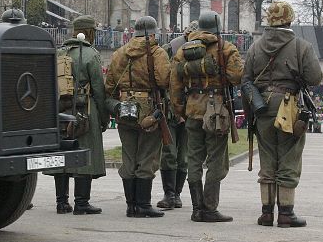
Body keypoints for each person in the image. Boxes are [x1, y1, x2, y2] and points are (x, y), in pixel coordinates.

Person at [242, 1, 322, 228]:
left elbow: (245, 80)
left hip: (262, 107)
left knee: (267, 158)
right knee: (289, 157)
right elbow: (315, 78)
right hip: (289, 107)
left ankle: (266, 213)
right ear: (290, 19)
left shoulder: (255, 47)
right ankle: (286, 213)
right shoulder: (301, 46)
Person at [169, 11, 243, 222]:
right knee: (216, 161)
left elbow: (174, 84)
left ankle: (196, 209)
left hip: (192, 110)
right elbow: (237, 77)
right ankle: (209, 208)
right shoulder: (226, 48)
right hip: (217, 112)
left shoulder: (183, 50)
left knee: (193, 160)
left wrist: (181, 110)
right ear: (217, 26)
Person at [104, 15, 170, 218]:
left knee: (129, 157)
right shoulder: (157, 52)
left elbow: (109, 86)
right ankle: (143, 204)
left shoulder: (119, 53)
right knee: (147, 157)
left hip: (124, 110)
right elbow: (164, 80)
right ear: (153, 32)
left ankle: (131, 205)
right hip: (149, 110)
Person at [46, 15, 108, 215]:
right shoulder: (91, 54)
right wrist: (104, 117)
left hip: (60, 109)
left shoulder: (59, 52)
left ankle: (61, 202)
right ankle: (81, 203)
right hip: (85, 109)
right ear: (89, 32)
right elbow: (98, 89)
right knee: (84, 152)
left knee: (62, 154)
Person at [156, 20, 198, 210]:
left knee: (184, 157)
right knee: (169, 153)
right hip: (171, 108)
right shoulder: (171, 48)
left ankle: (176, 194)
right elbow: (163, 79)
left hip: (191, 108)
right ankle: (169, 194)